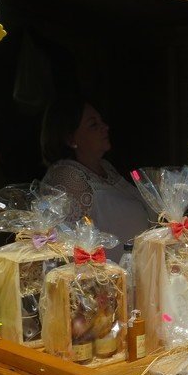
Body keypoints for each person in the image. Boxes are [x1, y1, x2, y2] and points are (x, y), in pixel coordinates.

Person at [40, 96, 150, 260]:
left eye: (101, 121)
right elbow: (64, 246)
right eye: (93, 125)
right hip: (105, 280)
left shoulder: (106, 167)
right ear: (71, 139)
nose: (105, 127)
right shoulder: (67, 177)